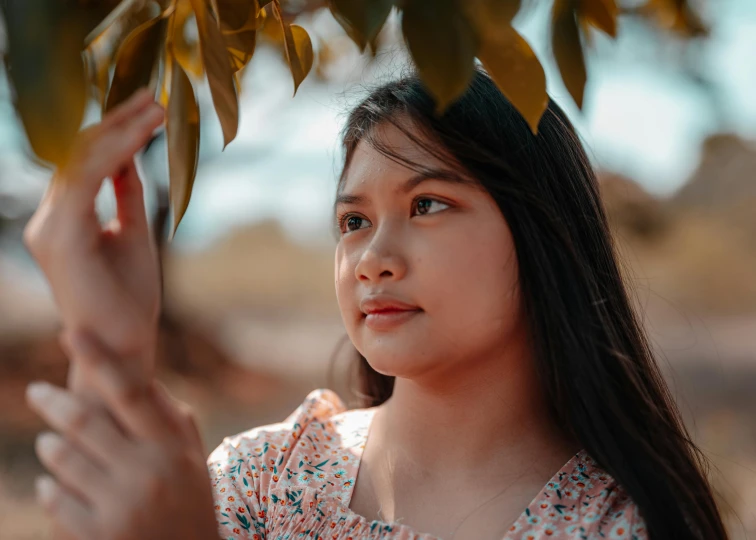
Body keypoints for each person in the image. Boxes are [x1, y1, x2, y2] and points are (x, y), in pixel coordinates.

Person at [21, 67, 729, 539]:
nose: (372, 259)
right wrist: (110, 340)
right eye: (353, 221)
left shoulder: (617, 524)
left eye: (427, 204)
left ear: (543, 233)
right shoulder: (261, 482)